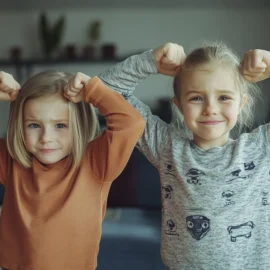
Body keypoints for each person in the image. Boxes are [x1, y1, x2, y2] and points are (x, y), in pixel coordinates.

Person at [99, 42, 270, 269]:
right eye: (196, 98)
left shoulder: (261, 147)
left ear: (241, 103)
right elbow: (105, 91)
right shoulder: (166, 147)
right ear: (179, 106)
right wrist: (150, 61)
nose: (210, 108)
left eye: (224, 98)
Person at [0, 70, 145, 270]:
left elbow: (131, 123)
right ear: (19, 125)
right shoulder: (11, 160)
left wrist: (93, 91)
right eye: (34, 125)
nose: (46, 138)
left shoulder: (96, 162)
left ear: (80, 124)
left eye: (60, 125)